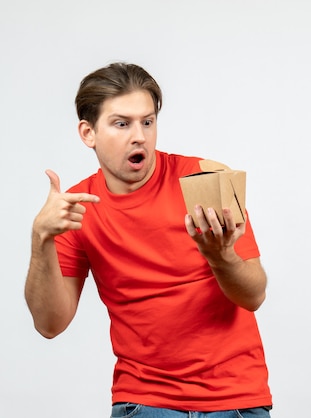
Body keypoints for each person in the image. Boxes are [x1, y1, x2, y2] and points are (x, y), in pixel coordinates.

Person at [24, 62, 273, 417]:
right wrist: (41, 239)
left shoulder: (206, 178)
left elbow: (254, 296)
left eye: (147, 121)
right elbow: (50, 325)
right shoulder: (77, 209)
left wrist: (221, 257)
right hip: (144, 402)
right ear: (88, 133)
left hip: (235, 399)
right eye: (121, 123)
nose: (139, 135)